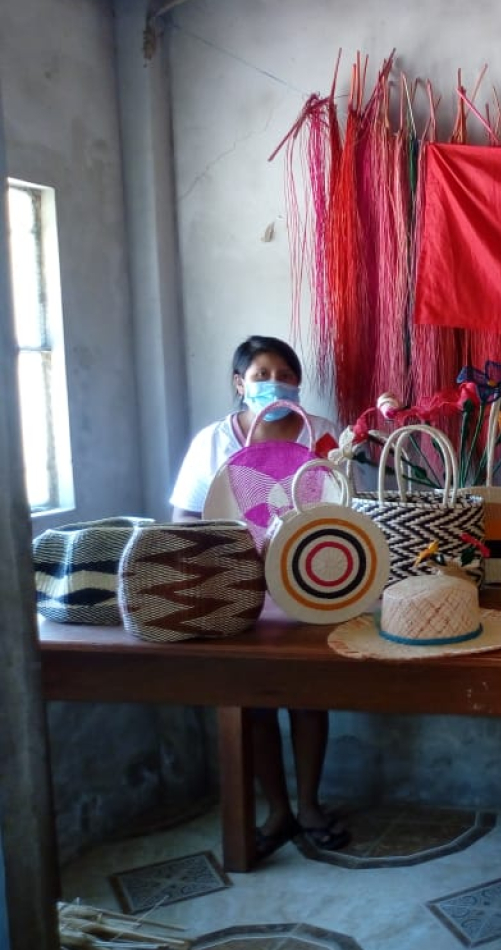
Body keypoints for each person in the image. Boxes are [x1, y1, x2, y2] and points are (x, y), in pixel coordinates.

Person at [170, 335, 349, 861]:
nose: (275, 382)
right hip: (236, 591)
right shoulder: (213, 442)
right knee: (253, 703)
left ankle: (309, 805)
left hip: (310, 585)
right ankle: (277, 809)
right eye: (261, 373)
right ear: (238, 383)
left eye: (285, 374)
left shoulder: (323, 434)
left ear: (298, 382)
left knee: (308, 698)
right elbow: (185, 518)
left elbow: (349, 510)